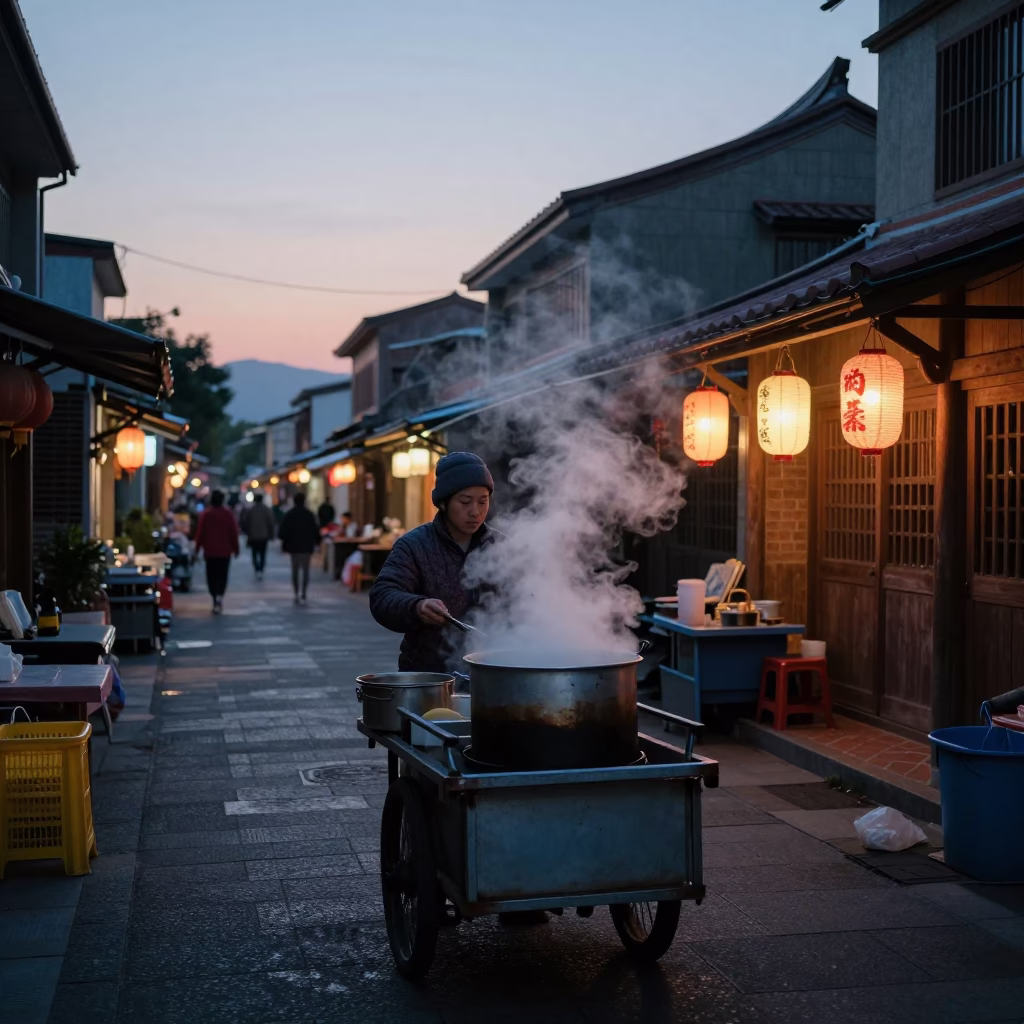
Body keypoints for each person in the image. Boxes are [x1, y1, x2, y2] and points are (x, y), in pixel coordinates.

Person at [369, 452, 496, 673]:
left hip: (492, 672)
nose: (475, 511)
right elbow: (383, 595)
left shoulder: (501, 546)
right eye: (465, 501)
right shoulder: (415, 545)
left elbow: (529, 599)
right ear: (444, 503)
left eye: (482, 501)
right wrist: (416, 606)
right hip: (429, 676)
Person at [193, 489, 239, 614]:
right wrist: (236, 548)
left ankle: (214, 597)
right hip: (225, 551)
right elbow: (233, 532)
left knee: (211, 576)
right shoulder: (228, 514)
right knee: (222, 575)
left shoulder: (206, 514)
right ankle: (219, 596)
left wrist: (196, 550)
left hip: (210, 551)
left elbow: (200, 534)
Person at [278, 492, 321, 604]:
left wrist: (284, 543)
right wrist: (317, 542)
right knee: (306, 570)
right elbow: (316, 530)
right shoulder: (309, 514)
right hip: (306, 546)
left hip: (294, 547)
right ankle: (304, 592)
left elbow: (283, 531)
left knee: (295, 570)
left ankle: (296, 593)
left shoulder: (289, 514)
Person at [243, 493, 276, 580]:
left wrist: (247, 532)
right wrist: (271, 534)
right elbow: (270, 522)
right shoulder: (266, 510)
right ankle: (260, 569)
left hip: (253, 535)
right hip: (263, 535)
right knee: (262, 553)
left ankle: (256, 568)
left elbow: (246, 522)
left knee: (254, 553)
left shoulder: (250, 510)